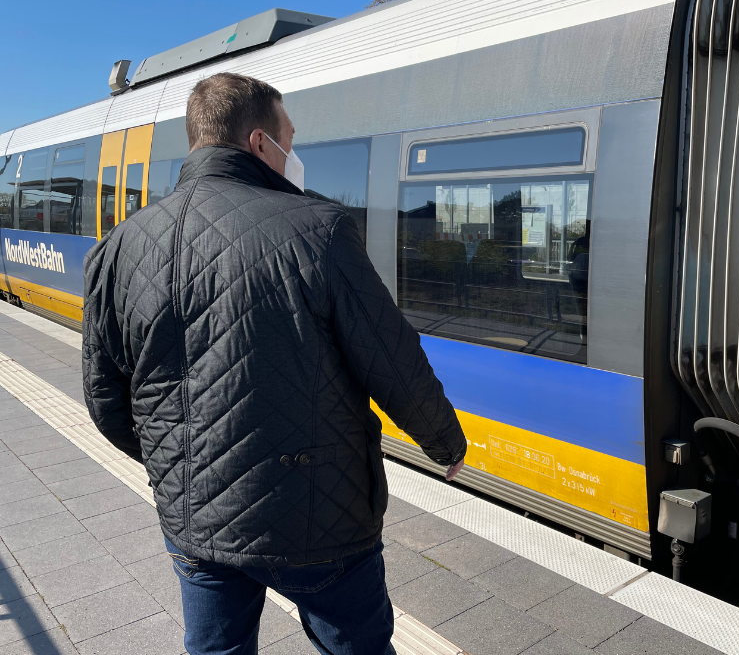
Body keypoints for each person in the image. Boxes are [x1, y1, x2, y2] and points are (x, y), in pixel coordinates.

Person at [82, 72, 467, 655]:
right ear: (260, 143)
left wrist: (181, 459)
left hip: (197, 517)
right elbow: (392, 359)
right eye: (291, 137)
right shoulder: (321, 228)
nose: (295, 152)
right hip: (322, 516)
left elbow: (106, 400)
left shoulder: (118, 248)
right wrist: (446, 443)